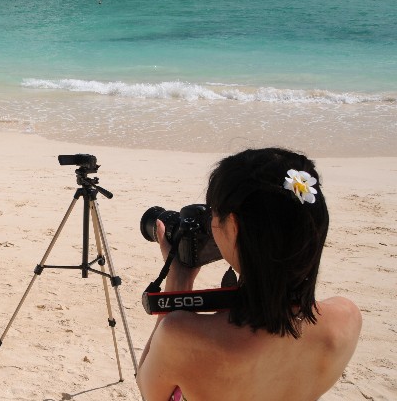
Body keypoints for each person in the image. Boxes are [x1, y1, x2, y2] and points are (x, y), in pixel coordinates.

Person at [137, 147, 361, 401]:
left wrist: (179, 280)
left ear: (233, 226)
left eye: (213, 214)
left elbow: (149, 391)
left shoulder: (181, 335)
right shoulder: (347, 319)